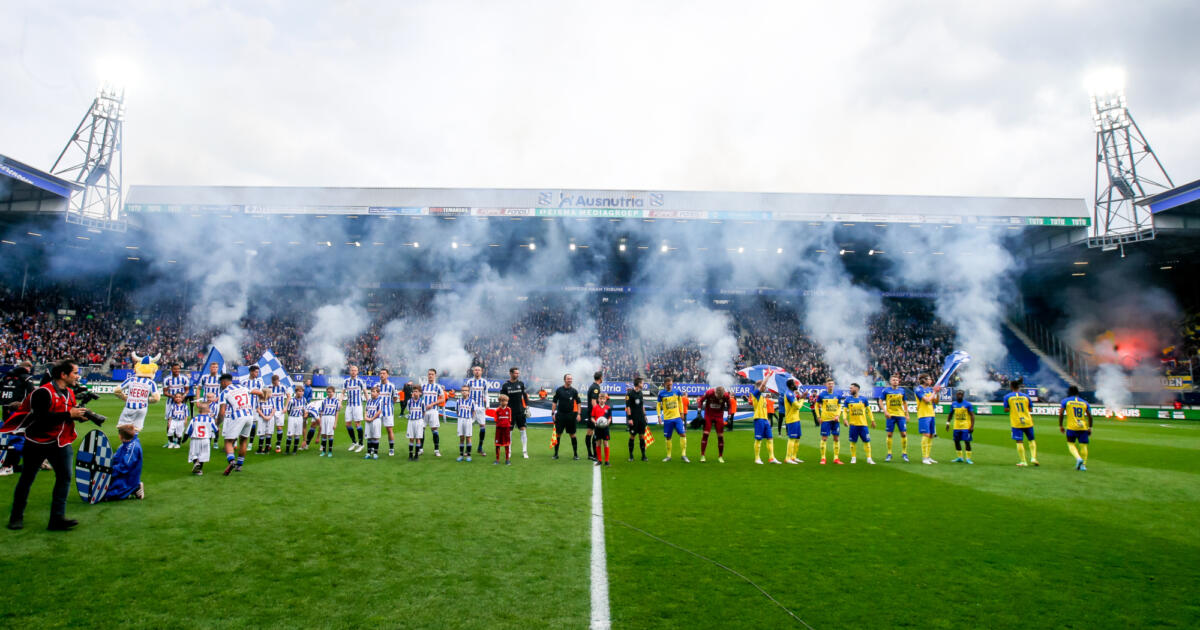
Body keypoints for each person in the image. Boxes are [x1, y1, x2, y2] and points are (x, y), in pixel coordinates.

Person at [3, 359, 92, 530]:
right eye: (75, 373)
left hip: (60, 442)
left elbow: (65, 416)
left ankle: (57, 519)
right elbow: (40, 419)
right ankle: (16, 517)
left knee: (64, 478)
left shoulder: (69, 393)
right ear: (63, 374)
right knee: (27, 479)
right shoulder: (43, 392)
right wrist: (69, 415)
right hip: (36, 443)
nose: (78, 376)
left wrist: (78, 417)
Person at [0, 361, 37, 476]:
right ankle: (9, 466)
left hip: (6, 409)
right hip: (19, 410)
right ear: (27, 367)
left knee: (11, 435)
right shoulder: (26, 378)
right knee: (19, 438)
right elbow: (33, 393)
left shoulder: (5, 377)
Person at [216, 374, 257, 475]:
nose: (221, 385)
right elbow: (255, 392)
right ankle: (239, 465)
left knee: (228, 441)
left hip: (238, 416)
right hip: (249, 415)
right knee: (243, 440)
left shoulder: (224, 392)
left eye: (221, 383)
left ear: (224, 382)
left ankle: (231, 461)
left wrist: (217, 424)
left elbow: (222, 412)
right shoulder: (242, 387)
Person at [102, 425, 144, 501]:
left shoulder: (133, 447)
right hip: (122, 476)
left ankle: (136, 487)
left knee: (105, 495)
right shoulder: (124, 445)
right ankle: (132, 489)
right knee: (102, 491)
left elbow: (125, 467)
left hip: (128, 480)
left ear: (120, 436)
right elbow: (115, 459)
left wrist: (109, 470)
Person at [114, 364, 161, 433]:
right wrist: (146, 400)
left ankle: (125, 439)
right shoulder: (151, 383)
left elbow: (117, 391)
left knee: (123, 429)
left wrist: (125, 398)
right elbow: (156, 398)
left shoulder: (131, 379)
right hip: (142, 409)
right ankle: (134, 439)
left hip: (130, 408)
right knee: (136, 429)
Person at [1003, 379, 1038, 467]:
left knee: (1019, 441)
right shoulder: (1026, 396)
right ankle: (1033, 458)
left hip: (1016, 422)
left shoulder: (1007, 397)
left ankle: (1023, 461)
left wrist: (1013, 409)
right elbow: (1030, 409)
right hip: (1027, 421)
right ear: (1019, 387)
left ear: (1011, 387)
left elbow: (1006, 409)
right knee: (1031, 440)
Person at [696, 383, 734, 463]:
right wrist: (699, 412)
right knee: (706, 434)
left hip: (719, 416)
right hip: (708, 416)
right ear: (715, 392)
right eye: (718, 396)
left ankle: (720, 456)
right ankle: (702, 455)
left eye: (720, 397)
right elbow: (701, 401)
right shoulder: (709, 392)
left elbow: (729, 406)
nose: (719, 398)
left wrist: (729, 416)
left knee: (720, 436)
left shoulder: (726, 395)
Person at [1059, 385, 1092, 471]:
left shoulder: (1065, 401)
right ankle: (1083, 465)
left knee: (1070, 444)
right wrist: (1090, 427)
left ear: (1069, 392)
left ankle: (1078, 458)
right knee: (1083, 446)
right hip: (1083, 427)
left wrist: (1061, 425)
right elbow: (1090, 416)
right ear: (1078, 392)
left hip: (1071, 427)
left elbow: (1061, 413)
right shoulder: (1085, 402)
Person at [747, 379, 780, 464]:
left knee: (770, 438)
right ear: (761, 386)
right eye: (764, 386)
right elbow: (762, 385)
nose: (765, 388)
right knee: (758, 439)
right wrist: (768, 376)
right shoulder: (755, 394)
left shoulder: (762, 397)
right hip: (759, 419)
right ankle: (757, 458)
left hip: (765, 420)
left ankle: (771, 458)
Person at [877, 375, 910, 463]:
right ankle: (889, 453)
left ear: (898, 381)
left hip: (900, 415)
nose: (895, 381)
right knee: (889, 434)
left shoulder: (902, 391)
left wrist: (907, 414)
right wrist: (885, 411)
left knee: (903, 434)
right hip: (890, 415)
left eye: (896, 380)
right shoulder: (886, 390)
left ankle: (904, 453)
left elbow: (905, 403)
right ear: (890, 382)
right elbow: (880, 401)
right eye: (893, 380)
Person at [656, 376, 689, 463]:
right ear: (664, 385)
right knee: (668, 437)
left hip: (677, 417)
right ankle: (669, 456)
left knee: (683, 434)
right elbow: (658, 405)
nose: (670, 386)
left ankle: (683, 455)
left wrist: (682, 413)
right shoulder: (661, 393)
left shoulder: (677, 392)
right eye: (668, 385)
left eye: (671, 384)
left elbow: (680, 402)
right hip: (667, 419)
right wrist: (659, 416)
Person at [499, 367, 530, 458]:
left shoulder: (521, 384)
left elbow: (525, 396)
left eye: (518, 373)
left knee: (523, 430)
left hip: (520, 411)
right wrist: (502, 409)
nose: (517, 374)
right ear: (511, 373)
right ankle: (509, 451)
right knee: (509, 432)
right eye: (516, 373)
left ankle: (525, 451)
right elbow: (501, 398)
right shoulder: (505, 385)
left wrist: (527, 406)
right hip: (509, 412)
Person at [842, 383, 876, 465]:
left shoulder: (864, 399)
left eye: (851, 388)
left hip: (863, 425)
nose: (850, 390)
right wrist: (844, 419)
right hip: (853, 425)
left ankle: (869, 458)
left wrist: (872, 420)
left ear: (856, 389)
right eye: (850, 388)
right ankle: (853, 458)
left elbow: (869, 411)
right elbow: (845, 411)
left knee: (867, 441)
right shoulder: (847, 400)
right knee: (853, 442)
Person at [551, 373, 582, 460]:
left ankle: (575, 454)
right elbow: (554, 402)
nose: (570, 380)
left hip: (570, 416)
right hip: (560, 415)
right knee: (558, 434)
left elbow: (579, 402)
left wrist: (579, 414)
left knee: (573, 435)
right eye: (568, 379)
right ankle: (556, 454)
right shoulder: (559, 390)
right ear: (564, 380)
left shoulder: (574, 391)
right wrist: (553, 413)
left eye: (571, 379)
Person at [183, 400, 218, 474]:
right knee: (203, 455)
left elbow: (188, 430)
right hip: (206, 439)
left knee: (193, 454)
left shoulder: (194, 419)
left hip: (195, 439)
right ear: (208, 410)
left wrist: (184, 439)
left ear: (199, 410)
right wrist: (216, 438)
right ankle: (199, 470)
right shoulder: (210, 419)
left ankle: (196, 462)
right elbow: (216, 430)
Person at [914, 374, 941, 465]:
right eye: (929, 379)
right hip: (923, 414)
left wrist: (937, 393)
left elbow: (936, 402)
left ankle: (928, 456)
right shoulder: (918, 389)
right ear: (924, 380)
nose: (931, 380)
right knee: (926, 434)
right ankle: (924, 457)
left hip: (931, 414)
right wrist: (934, 392)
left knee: (931, 435)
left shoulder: (930, 389)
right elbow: (927, 400)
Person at [816, 379, 844, 465]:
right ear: (826, 385)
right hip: (825, 420)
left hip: (835, 420)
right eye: (829, 384)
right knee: (824, 438)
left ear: (834, 385)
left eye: (832, 384)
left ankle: (836, 458)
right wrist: (818, 416)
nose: (831, 385)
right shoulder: (822, 395)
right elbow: (816, 406)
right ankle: (823, 458)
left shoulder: (837, 395)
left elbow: (839, 406)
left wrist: (838, 415)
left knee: (836, 438)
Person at [419, 369, 446, 457]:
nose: (430, 376)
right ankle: (420, 449)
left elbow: (442, 399)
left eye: (432, 374)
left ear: (435, 376)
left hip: (433, 411)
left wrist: (432, 404)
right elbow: (418, 397)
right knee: (421, 429)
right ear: (427, 375)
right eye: (429, 374)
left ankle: (436, 450)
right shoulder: (423, 386)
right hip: (423, 411)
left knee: (434, 430)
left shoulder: (438, 387)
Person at [945, 390, 976, 464]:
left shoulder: (967, 404)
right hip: (956, 426)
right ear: (956, 395)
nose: (960, 395)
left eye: (961, 394)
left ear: (963, 395)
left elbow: (972, 415)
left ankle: (968, 458)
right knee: (956, 441)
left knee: (967, 442)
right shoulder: (953, 404)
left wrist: (972, 426)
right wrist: (948, 423)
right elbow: (950, 414)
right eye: (958, 394)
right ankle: (960, 457)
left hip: (966, 426)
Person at [465, 366, 490, 457]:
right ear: (473, 372)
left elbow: (486, 394)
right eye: (475, 370)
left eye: (479, 370)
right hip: (471, 408)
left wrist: (487, 405)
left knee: (482, 427)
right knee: (468, 427)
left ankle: (480, 447)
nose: (477, 371)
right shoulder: (469, 382)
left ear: (481, 371)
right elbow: (466, 394)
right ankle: (467, 449)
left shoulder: (484, 382)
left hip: (480, 408)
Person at [781, 379, 807, 464]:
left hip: (796, 418)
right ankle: (787, 458)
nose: (796, 385)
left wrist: (800, 397)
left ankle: (793, 457)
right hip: (791, 419)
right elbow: (797, 406)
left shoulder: (792, 393)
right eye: (795, 384)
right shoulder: (789, 394)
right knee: (792, 438)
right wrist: (803, 399)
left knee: (797, 438)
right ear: (792, 386)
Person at [342, 365, 367, 453]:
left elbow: (365, 392)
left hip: (358, 405)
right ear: (350, 371)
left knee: (357, 424)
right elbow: (342, 393)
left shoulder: (360, 381)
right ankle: (354, 442)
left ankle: (361, 444)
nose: (353, 372)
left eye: (355, 370)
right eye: (352, 370)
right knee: (348, 424)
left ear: (357, 372)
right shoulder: (346, 381)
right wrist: (340, 402)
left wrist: (369, 403)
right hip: (349, 405)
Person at [625, 377, 649, 462]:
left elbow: (642, 405)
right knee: (632, 436)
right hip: (633, 418)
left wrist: (645, 415)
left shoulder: (641, 393)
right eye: (642, 383)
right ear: (638, 384)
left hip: (641, 418)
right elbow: (628, 407)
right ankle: (631, 455)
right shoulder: (629, 394)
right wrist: (630, 418)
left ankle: (643, 455)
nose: (643, 384)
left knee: (642, 436)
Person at [377, 368, 399, 456]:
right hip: (377, 412)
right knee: (376, 430)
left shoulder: (391, 386)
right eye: (381, 373)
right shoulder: (376, 385)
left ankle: (391, 449)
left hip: (388, 411)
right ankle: (375, 449)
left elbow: (395, 397)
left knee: (389, 430)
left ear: (387, 375)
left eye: (384, 373)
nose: (382, 375)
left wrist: (390, 405)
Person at [267, 374, 290, 453]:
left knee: (279, 427)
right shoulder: (269, 387)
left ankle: (278, 445)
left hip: (280, 410)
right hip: (270, 410)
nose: (274, 384)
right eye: (273, 382)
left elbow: (289, 396)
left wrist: (285, 407)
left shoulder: (283, 386)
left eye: (275, 382)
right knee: (269, 428)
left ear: (278, 380)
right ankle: (268, 445)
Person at [584, 372, 603, 462]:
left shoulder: (593, 386)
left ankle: (591, 454)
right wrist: (597, 413)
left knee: (590, 432)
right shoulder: (596, 387)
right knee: (593, 433)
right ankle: (594, 454)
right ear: (600, 378)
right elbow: (593, 401)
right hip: (593, 414)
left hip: (591, 413)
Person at [317, 386, 341, 458]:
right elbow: (321, 412)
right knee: (324, 435)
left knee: (330, 435)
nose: (329, 393)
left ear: (333, 392)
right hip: (324, 417)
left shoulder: (336, 401)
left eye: (330, 392)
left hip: (331, 418)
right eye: (328, 392)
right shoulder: (324, 401)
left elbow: (337, 412)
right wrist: (320, 422)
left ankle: (330, 451)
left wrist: (335, 423)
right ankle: (324, 451)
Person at [284, 384, 308, 454]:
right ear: (296, 392)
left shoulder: (304, 399)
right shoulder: (292, 401)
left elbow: (305, 408)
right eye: (299, 391)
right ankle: (287, 450)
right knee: (290, 434)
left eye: (302, 391)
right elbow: (288, 410)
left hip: (300, 418)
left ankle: (294, 450)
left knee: (297, 434)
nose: (301, 393)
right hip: (292, 417)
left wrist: (304, 414)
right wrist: (291, 416)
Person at [362, 385, 384, 460]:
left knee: (375, 437)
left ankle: (375, 453)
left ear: (378, 393)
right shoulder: (369, 401)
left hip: (376, 420)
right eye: (372, 391)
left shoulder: (380, 401)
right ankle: (368, 453)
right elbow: (366, 410)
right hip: (368, 420)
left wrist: (372, 418)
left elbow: (379, 411)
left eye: (374, 392)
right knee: (369, 437)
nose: (372, 393)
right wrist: (365, 417)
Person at [406, 384, 426, 461]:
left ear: (420, 393)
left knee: (418, 438)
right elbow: (409, 410)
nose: (415, 393)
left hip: (419, 421)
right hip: (411, 421)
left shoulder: (422, 402)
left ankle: (416, 455)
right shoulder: (409, 401)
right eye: (414, 391)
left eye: (416, 391)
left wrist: (420, 419)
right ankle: (410, 455)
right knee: (411, 438)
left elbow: (424, 412)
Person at [455, 385, 475, 462]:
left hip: (468, 420)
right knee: (461, 437)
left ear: (469, 392)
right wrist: (460, 417)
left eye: (466, 390)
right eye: (463, 390)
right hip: (461, 419)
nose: (464, 392)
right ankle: (461, 455)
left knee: (468, 437)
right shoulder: (458, 401)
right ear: (461, 392)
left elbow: (473, 411)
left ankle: (469, 455)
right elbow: (457, 411)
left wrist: (471, 419)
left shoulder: (472, 401)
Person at [494, 393, 513, 465]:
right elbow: (496, 419)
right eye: (503, 401)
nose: (504, 402)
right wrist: (500, 424)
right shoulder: (497, 410)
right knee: (497, 444)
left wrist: (507, 424)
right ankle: (497, 459)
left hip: (506, 430)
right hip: (499, 429)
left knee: (507, 444)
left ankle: (507, 459)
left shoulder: (509, 409)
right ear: (500, 401)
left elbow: (510, 419)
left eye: (506, 401)